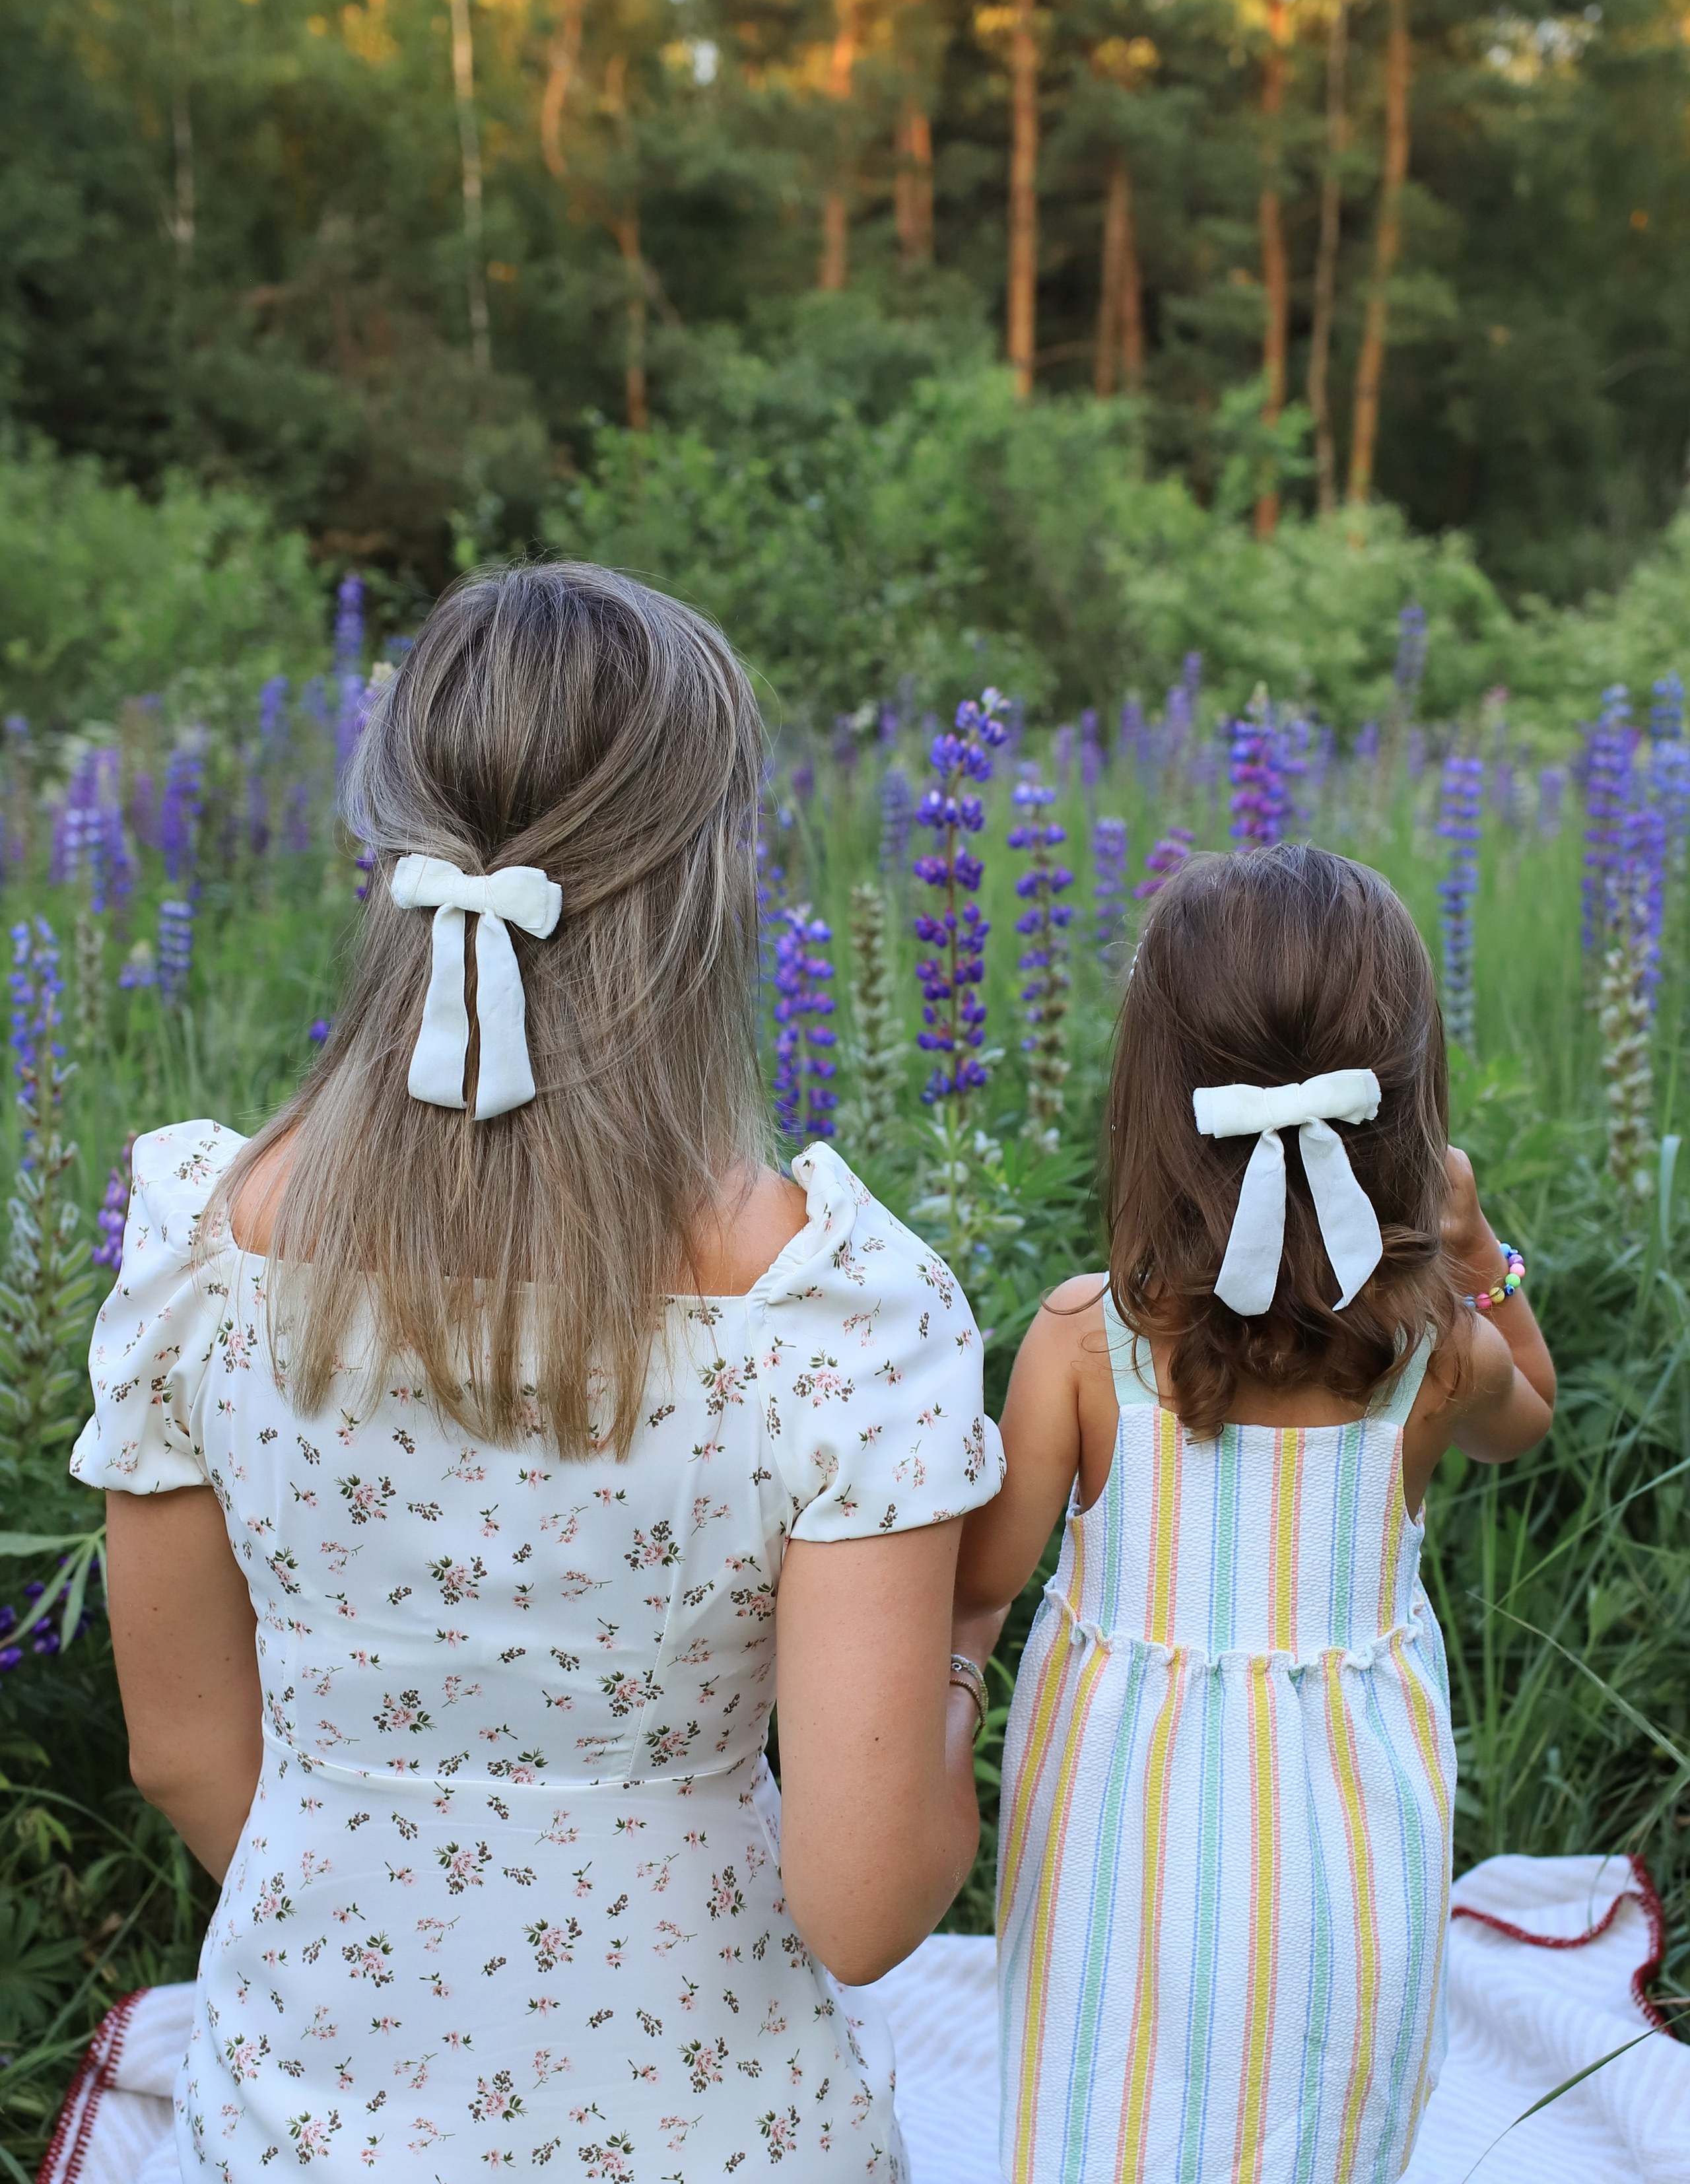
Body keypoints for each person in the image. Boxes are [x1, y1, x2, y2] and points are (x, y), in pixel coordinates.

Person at [74, 563, 1005, 2181]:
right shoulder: (827, 1316)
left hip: (305, 2131)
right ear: (710, 878)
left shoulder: (201, 1252)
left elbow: (179, 1748)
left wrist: (401, 1956)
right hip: (717, 2140)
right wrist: (971, 1644)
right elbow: (863, 1911)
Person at [955, 843, 1555, 2184]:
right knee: (1323, 2102)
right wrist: (1477, 1255)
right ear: (1401, 1110)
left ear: (1157, 1103)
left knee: (1101, 2085)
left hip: (1125, 1832)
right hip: (1345, 1834)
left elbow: (978, 1581)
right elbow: (1534, 1419)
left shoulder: (1081, 1343)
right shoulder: (1435, 1350)